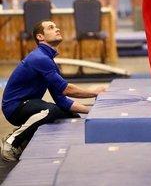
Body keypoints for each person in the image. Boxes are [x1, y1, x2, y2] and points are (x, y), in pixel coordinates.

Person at [0, 20, 107, 161]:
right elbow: (67, 90)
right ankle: (12, 142)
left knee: (69, 114)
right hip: (14, 108)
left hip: (29, 104)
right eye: (51, 28)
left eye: (56, 26)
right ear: (40, 37)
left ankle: (26, 140)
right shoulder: (39, 58)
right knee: (52, 110)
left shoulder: (48, 61)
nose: (57, 29)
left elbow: (61, 99)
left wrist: (92, 111)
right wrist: (94, 92)